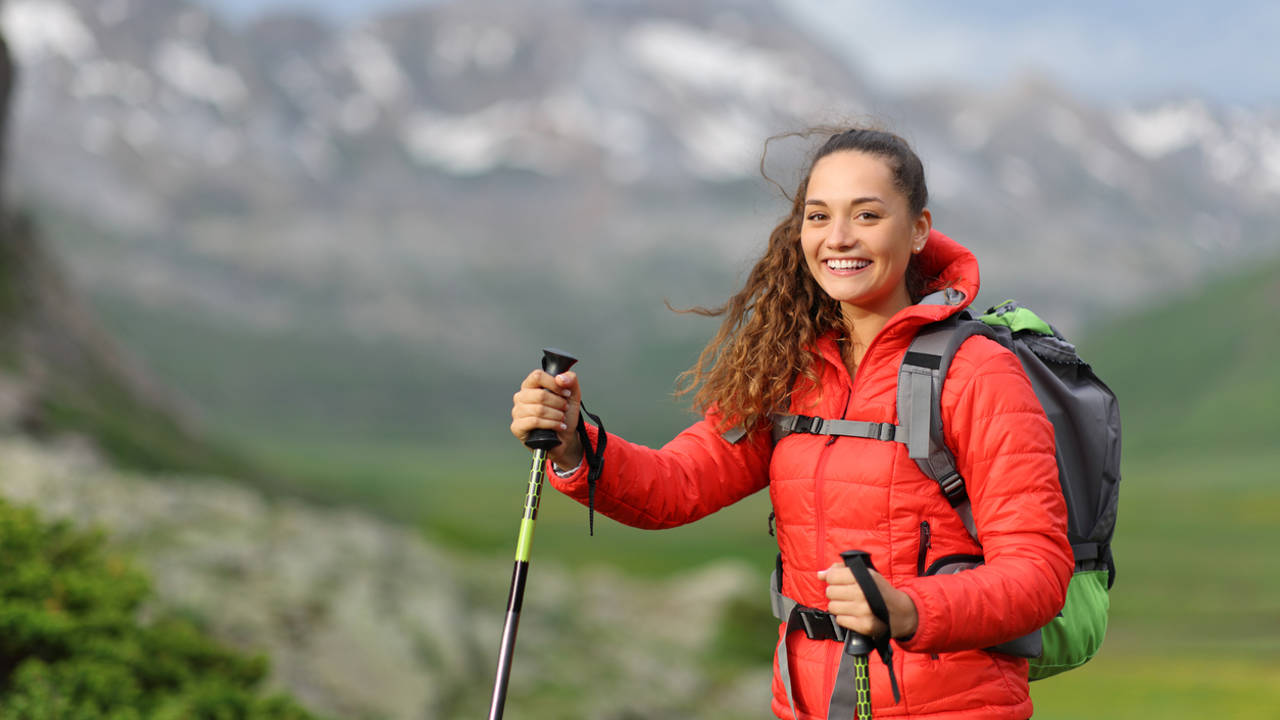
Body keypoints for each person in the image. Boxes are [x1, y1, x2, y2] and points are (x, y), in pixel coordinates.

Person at [510, 127, 1073, 720]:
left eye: (867, 214)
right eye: (818, 215)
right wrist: (575, 443)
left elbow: (1037, 572)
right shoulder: (790, 368)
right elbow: (675, 486)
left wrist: (909, 608)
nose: (838, 238)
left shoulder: (979, 372)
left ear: (919, 230)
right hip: (805, 702)